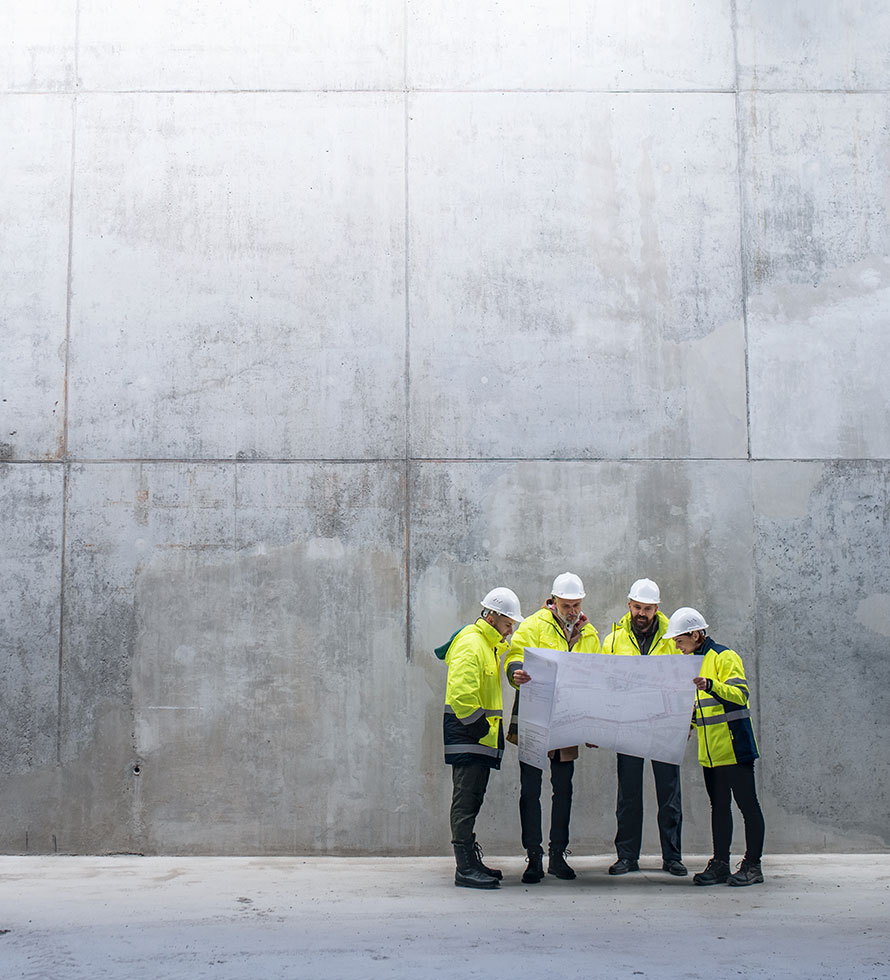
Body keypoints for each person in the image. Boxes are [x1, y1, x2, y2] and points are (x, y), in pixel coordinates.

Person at [504, 573, 600, 883]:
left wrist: (592, 724)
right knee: (530, 790)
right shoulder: (532, 625)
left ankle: (558, 856)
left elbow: (595, 677)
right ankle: (534, 857)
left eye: (576, 605)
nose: (572, 611)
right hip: (534, 714)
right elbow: (515, 655)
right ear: (553, 601)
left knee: (564, 790)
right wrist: (516, 671)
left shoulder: (590, 634)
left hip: (567, 717)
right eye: (566, 604)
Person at [664, 607, 765, 887]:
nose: (677, 646)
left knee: (748, 806)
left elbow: (740, 695)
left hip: (735, 746)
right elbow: (702, 709)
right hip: (710, 753)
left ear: (695, 635)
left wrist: (711, 684)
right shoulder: (692, 662)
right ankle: (720, 863)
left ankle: (753, 866)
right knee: (719, 808)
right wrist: (688, 726)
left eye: (680, 641)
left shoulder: (723, 656)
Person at [602, 578, 687, 877]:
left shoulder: (674, 637)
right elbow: (605, 684)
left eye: (648, 608)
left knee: (669, 794)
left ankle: (672, 857)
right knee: (628, 794)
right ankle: (627, 857)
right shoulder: (612, 640)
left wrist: (686, 719)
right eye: (637, 607)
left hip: (665, 725)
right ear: (629, 605)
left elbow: (686, 680)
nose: (642, 613)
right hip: (628, 725)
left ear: (657, 608)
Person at [442, 587, 524, 889]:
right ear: (492, 617)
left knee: (473, 799)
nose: (510, 629)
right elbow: (462, 694)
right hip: (470, 736)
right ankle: (464, 868)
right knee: (465, 802)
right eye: (507, 623)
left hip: (479, 737)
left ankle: (470, 861)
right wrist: (479, 729)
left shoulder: (487, 645)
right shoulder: (471, 643)